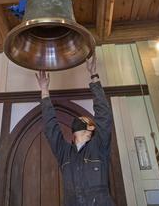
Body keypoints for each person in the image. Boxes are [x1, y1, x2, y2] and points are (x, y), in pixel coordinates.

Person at [35, 53, 115, 206]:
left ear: (90, 130)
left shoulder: (99, 146)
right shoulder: (64, 152)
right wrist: (44, 90)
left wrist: (94, 76)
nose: (80, 119)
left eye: (85, 120)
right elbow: (50, 127)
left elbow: (103, 115)